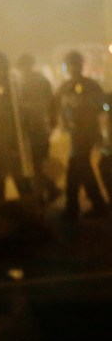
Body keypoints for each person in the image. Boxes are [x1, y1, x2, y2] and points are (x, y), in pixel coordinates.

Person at [51, 50, 109, 220]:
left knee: (76, 168)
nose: (72, 68)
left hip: (87, 133)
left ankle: (77, 207)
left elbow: (102, 107)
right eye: (70, 65)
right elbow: (55, 107)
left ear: (80, 66)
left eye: (75, 64)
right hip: (75, 133)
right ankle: (86, 206)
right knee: (79, 169)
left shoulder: (91, 86)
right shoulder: (65, 87)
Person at [0, 52, 32, 204]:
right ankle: (1, 214)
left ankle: (31, 212)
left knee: (19, 178)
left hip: (11, 141)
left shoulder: (12, 86)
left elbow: (16, 112)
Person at [15, 53, 60, 203]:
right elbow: (52, 102)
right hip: (37, 128)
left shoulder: (22, 83)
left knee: (37, 163)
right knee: (41, 162)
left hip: (35, 128)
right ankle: (50, 189)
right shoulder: (40, 81)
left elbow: (51, 103)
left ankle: (42, 194)